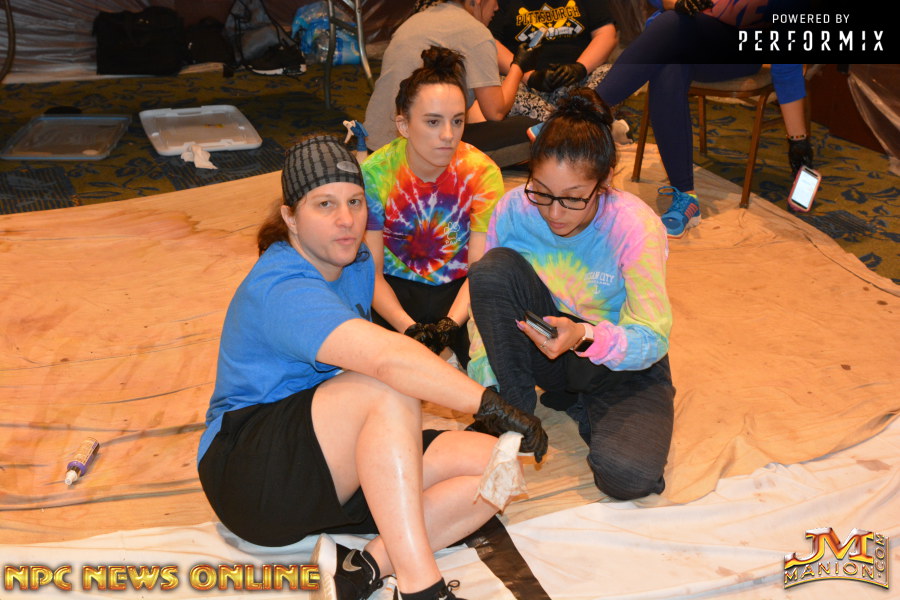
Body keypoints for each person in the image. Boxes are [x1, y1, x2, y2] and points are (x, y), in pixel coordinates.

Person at [196, 136, 548, 600]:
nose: (346, 220)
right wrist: (489, 404)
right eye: (325, 204)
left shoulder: (357, 262)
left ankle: (363, 568)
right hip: (250, 478)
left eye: (355, 202)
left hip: (327, 465)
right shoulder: (281, 286)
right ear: (290, 218)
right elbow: (385, 361)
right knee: (386, 383)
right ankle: (422, 588)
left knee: (497, 468)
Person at [467, 89, 675, 500]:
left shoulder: (636, 227)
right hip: (547, 351)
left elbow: (652, 337)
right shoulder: (514, 209)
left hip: (617, 361)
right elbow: (489, 305)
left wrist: (584, 336)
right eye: (542, 191)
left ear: (605, 182)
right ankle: (515, 413)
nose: (554, 212)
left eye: (574, 198)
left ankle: (584, 405)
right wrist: (488, 387)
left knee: (628, 477)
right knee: (490, 270)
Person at [594, 1, 814, 237]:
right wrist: (677, 3)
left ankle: (588, 112)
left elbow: (786, 64)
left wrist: (798, 141)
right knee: (670, 62)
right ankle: (685, 196)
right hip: (681, 35)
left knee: (671, 25)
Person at [363, 47, 505, 366]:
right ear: (403, 125)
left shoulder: (482, 173)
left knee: (495, 356)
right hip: (395, 291)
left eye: (457, 121)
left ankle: (449, 354)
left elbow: (479, 270)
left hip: (459, 291)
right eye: (432, 121)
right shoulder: (375, 175)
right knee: (373, 362)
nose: (448, 135)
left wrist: (450, 326)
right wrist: (409, 328)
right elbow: (371, 274)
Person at [362, 0, 543, 152]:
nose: (497, 7)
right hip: (411, 149)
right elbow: (496, 112)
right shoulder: (475, 32)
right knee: (530, 129)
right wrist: (519, 66)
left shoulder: (416, 20)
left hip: (374, 143)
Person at [489, 0, 618, 121]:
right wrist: (529, 77)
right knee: (495, 88)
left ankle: (579, 123)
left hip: (581, 83)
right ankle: (558, 125)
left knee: (613, 74)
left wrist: (580, 69)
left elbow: (605, 33)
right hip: (527, 85)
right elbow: (491, 43)